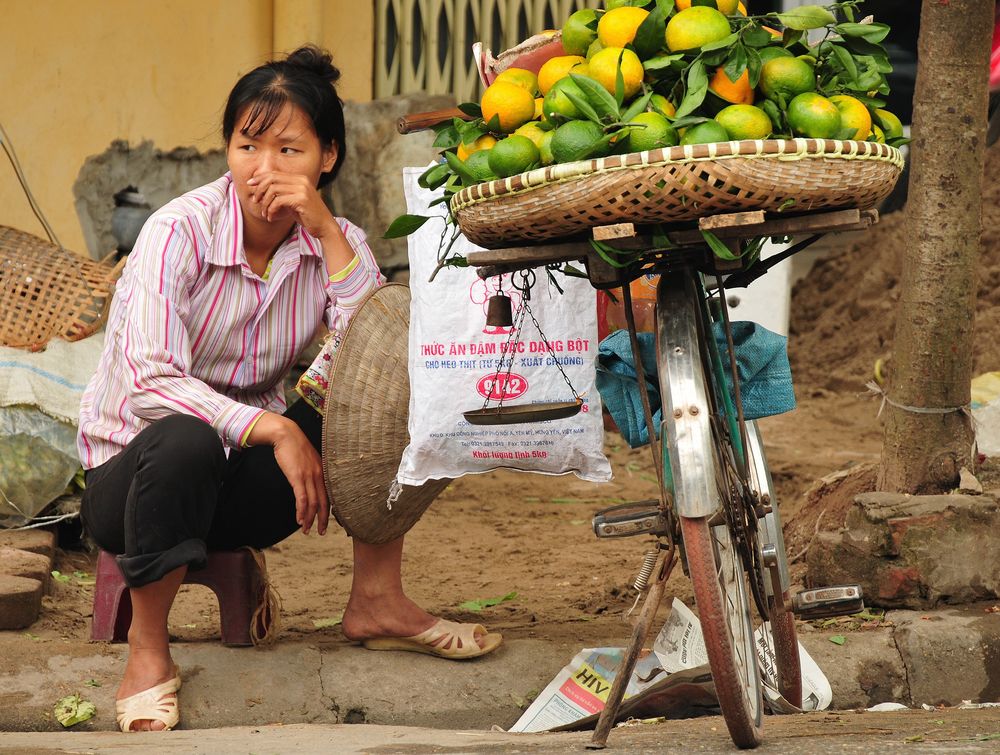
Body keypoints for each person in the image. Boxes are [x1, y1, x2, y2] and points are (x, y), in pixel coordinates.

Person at [77, 46, 501, 734]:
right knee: (185, 437)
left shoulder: (333, 241)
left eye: (288, 149)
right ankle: (148, 649)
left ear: (327, 157)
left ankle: (376, 599)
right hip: (134, 481)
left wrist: (327, 229)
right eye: (247, 146)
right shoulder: (175, 232)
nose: (263, 169)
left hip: (242, 494)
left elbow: (372, 345)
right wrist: (274, 427)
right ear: (228, 148)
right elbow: (152, 378)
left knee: (388, 376)